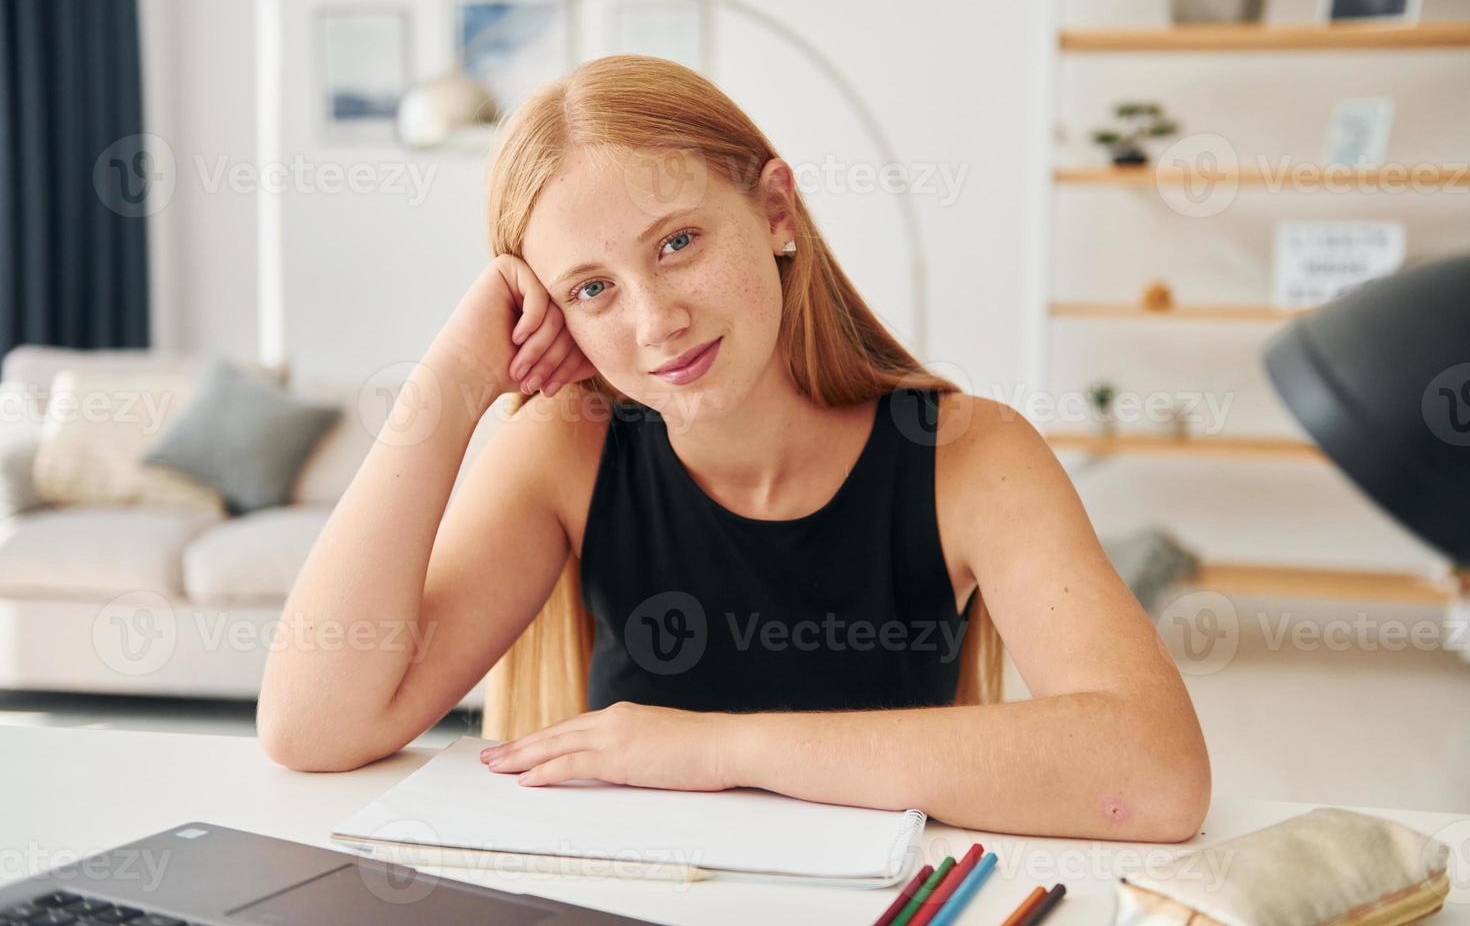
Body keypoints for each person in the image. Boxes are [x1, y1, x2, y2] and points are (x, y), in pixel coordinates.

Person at [258, 54, 1209, 843]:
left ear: (776, 212)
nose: (656, 320)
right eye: (590, 290)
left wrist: (716, 750)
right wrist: (452, 383)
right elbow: (312, 727)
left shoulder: (970, 455)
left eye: (676, 243)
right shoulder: (566, 448)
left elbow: (1155, 774)